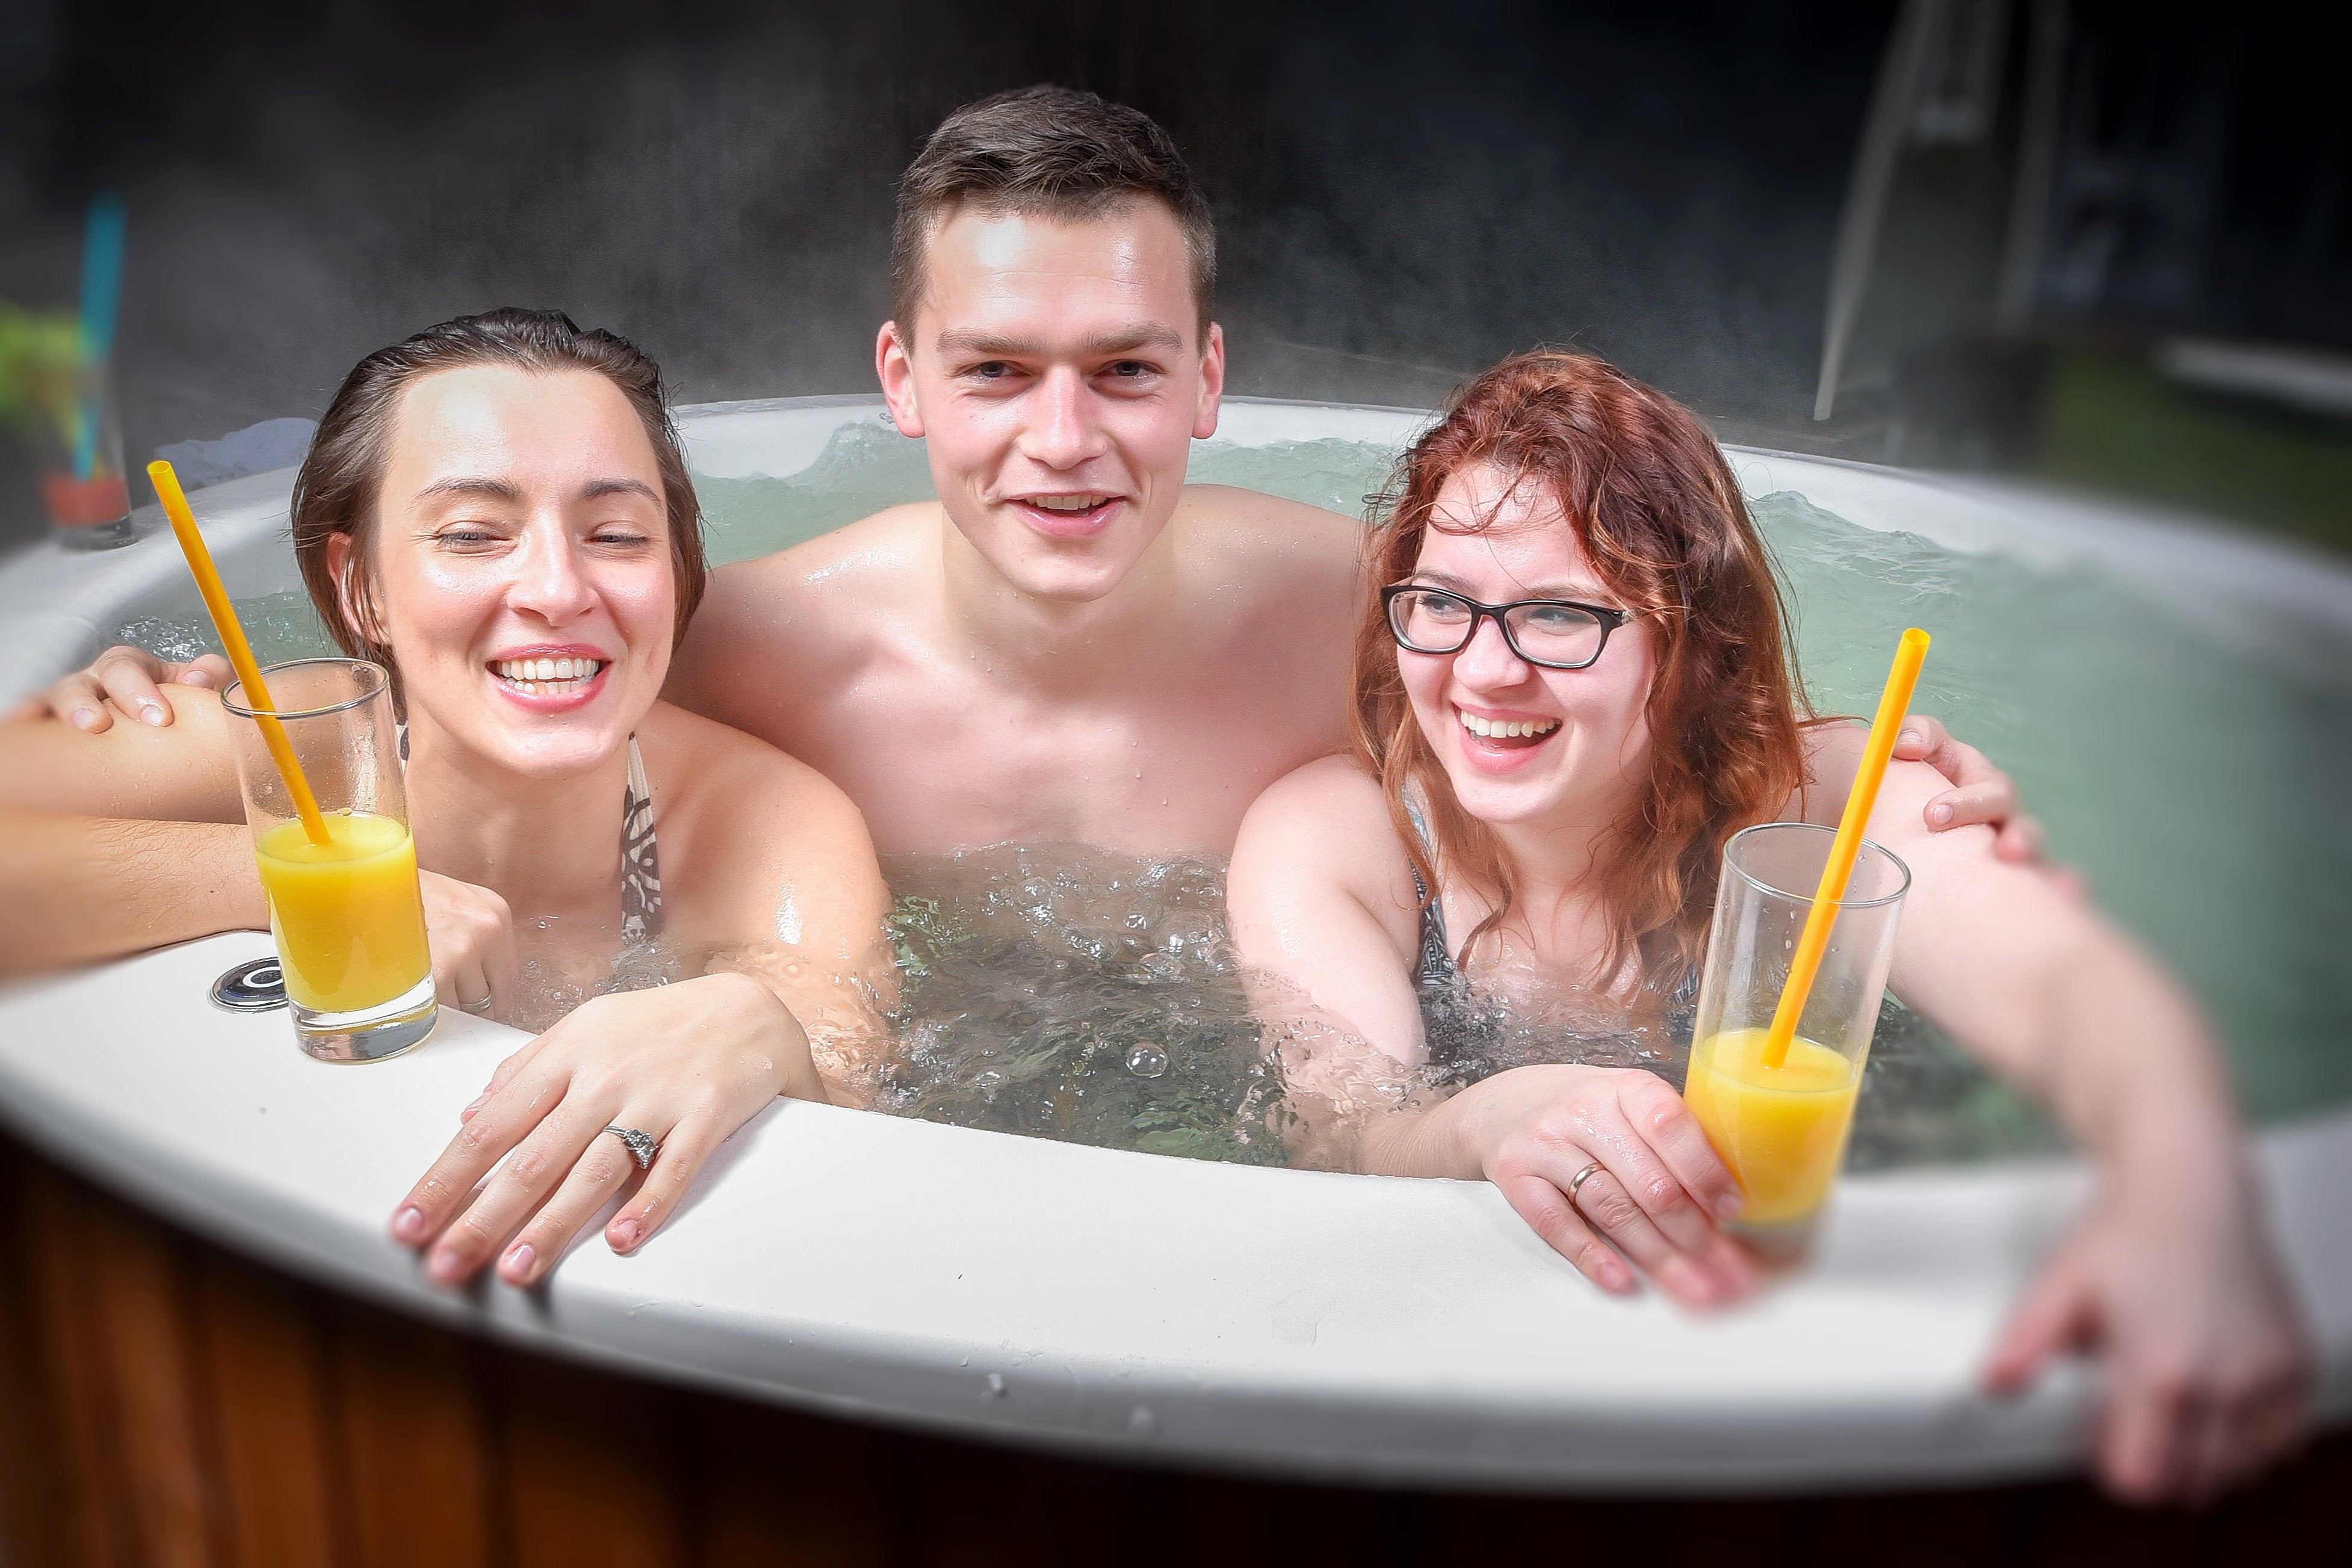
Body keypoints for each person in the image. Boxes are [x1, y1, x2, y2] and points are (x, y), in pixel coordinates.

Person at [26, 88, 2030, 863]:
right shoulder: (739, 652)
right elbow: (458, 712)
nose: (1059, 444)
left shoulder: (1363, 615)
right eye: (994, 372)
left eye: (1120, 373)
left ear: (1209, 383)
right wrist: (178, 699)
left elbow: (1642, 726)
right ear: (899, 378)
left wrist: (1857, 757)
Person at [1224, 349, 2310, 1505]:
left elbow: (2064, 988)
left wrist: (2183, 1177)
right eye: (1440, 604)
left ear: (1689, 649)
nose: (1485, 671)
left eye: (1559, 615)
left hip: (1856, 1297)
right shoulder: (1337, 839)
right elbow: (1341, 1137)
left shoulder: (1827, 808)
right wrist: (1489, 1119)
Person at [0, 309, 893, 1291]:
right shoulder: (272, 750)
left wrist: (752, 1019)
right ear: (359, 589)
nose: (558, 587)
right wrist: (294, 879)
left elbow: (850, 1111)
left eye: (617, 533)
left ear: (677, 571)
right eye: (473, 534)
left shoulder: (771, 826)